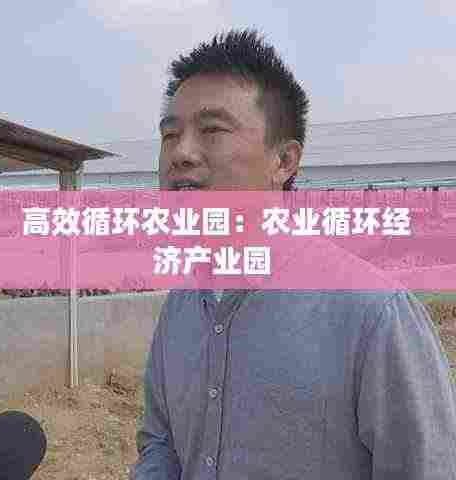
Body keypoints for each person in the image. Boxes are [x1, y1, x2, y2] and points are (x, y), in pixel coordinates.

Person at [130, 29, 456, 479]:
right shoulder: (182, 305)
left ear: (284, 161)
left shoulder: (373, 315)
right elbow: (160, 441)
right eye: (170, 134)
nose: (180, 153)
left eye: (212, 130)